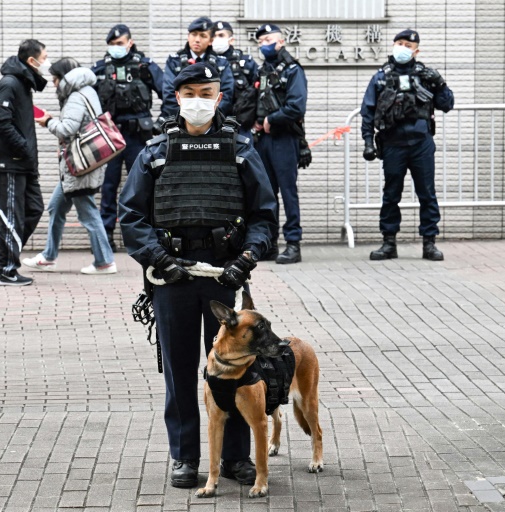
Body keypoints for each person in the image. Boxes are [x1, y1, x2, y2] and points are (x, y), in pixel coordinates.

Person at [118, 62, 276, 489]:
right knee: (181, 371)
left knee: (237, 369)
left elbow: (264, 213)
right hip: (173, 278)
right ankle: (185, 457)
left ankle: (235, 458)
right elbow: (131, 216)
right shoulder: (154, 151)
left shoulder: (241, 148)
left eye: (206, 93)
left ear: (219, 97)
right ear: (177, 98)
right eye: (190, 93)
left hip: (225, 275)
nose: (198, 101)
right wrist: (159, 259)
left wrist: (246, 259)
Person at [361, 29, 454, 261]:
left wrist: (440, 83)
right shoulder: (381, 76)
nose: (402, 48)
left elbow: (447, 104)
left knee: (427, 194)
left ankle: (429, 243)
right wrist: (367, 142)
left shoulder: (426, 75)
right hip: (393, 143)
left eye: (408, 45)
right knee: (391, 194)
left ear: (416, 50)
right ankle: (388, 242)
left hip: (421, 143)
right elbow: (368, 111)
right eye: (399, 43)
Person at [23, 58, 117, 275]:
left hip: (79, 167)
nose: (54, 84)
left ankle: (105, 262)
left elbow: (67, 129)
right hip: (79, 166)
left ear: (64, 78)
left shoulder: (75, 97)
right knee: (56, 207)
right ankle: (48, 256)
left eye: (55, 79)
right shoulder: (87, 91)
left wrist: (47, 121)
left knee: (88, 213)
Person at [92, 24, 164, 252]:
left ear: (130, 43)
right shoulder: (100, 69)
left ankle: (147, 236)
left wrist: (160, 123)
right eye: (112, 45)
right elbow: (87, 101)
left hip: (138, 136)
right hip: (110, 137)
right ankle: (106, 238)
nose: (116, 48)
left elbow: (170, 94)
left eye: (120, 43)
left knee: (143, 185)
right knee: (109, 186)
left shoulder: (145, 66)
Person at [0, 39, 49, 286]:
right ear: (31, 61)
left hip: (25, 163)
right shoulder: (10, 83)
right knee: (11, 216)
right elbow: (0, 122)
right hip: (12, 162)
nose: (46, 62)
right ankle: (4, 270)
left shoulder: (23, 83)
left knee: (34, 209)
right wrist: (23, 149)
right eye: (44, 57)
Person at [254, 24, 309, 264]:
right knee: (267, 194)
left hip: (285, 138)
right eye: (260, 41)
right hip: (263, 140)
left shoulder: (293, 70)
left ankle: (293, 244)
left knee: (288, 193)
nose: (264, 44)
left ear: (280, 41)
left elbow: (297, 106)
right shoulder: (263, 70)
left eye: (268, 39)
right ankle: (270, 244)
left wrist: (270, 119)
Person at [159, 17, 234, 123]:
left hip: (212, 122)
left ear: (210, 41)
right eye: (194, 34)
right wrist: (186, 120)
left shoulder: (221, 63)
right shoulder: (174, 61)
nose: (197, 39)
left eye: (203, 36)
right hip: (180, 122)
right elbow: (170, 94)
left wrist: (209, 119)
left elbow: (226, 95)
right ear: (188, 37)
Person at [211, 21, 259, 138]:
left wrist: (259, 119)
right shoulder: (206, 62)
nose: (217, 39)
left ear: (231, 40)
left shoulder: (245, 63)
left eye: (221, 35)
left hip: (241, 126)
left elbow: (258, 91)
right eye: (214, 36)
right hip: (213, 125)